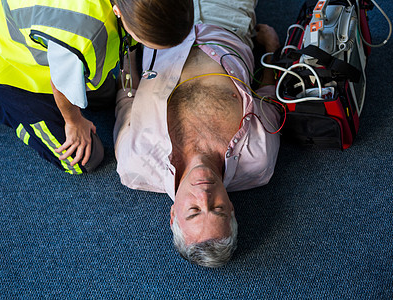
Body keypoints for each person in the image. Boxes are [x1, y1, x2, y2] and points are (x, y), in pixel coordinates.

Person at [114, 0, 282, 267]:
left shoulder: (134, 163)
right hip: (226, 26)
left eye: (193, 211)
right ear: (231, 209)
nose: (204, 195)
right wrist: (272, 50)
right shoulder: (259, 158)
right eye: (217, 209)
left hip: (160, 25)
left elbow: (126, 96)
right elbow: (268, 96)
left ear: (173, 216)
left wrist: (129, 38)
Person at [0, 0, 193, 174]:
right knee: (84, 159)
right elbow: (62, 85)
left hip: (13, 13)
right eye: (147, 41)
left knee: (106, 95)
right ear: (117, 11)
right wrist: (74, 122)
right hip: (0, 53)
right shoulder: (83, 36)